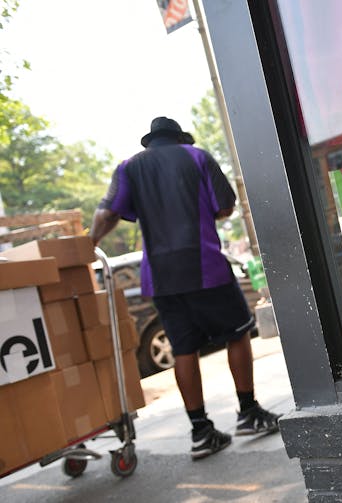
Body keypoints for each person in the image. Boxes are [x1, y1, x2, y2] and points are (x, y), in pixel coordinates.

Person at [90, 117, 279, 460]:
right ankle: (249, 412)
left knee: (183, 349)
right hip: (202, 264)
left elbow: (107, 213)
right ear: (178, 138)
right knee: (238, 332)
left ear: (151, 142)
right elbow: (225, 206)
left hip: (160, 277)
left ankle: (200, 431)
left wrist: (88, 244)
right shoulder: (197, 157)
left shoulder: (128, 167)